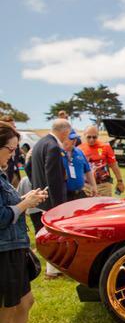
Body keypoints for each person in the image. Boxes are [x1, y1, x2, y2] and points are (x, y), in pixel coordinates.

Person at [0, 122, 50, 323]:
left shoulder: (1, 174)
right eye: (10, 150)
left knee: (24, 302)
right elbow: (1, 217)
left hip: (14, 247)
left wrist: (25, 198)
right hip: (4, 252)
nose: (13, 155)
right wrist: (24, 204)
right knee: (4, 314)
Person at [29, 119, 71, 279]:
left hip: (42, 196)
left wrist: (37, 186)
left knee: (49, 234)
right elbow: (53, 179)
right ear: (65, 131)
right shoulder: (53, 147)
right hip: (51, 200)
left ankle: (53, 269)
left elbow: (29, 167)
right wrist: (58, 206)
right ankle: (52, 270)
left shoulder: (40, 143)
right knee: (53, 236)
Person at [78, 126, 125, 197]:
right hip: (86, 186)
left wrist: (120, 181)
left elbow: (114, 165)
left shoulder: (105, 147)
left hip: (103, 186)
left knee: (104, 204)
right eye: (89, 137)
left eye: (94, 137)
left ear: (98, 135)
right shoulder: (79, 149)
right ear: (84, 135)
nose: (91, 139)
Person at [62, 132, 97, 200]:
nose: (74, 141)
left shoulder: (79, 152)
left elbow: (87, 170)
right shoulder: (58, 153)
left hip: (80, 193)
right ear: (63, 139)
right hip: (65, 195)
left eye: (75, 138)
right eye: (71, 139)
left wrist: (93, 186)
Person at [0, 116, 21, 188]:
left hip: (14, 173)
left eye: (14, 126)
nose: (13, 154)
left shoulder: (14, 142)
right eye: (11, 149)